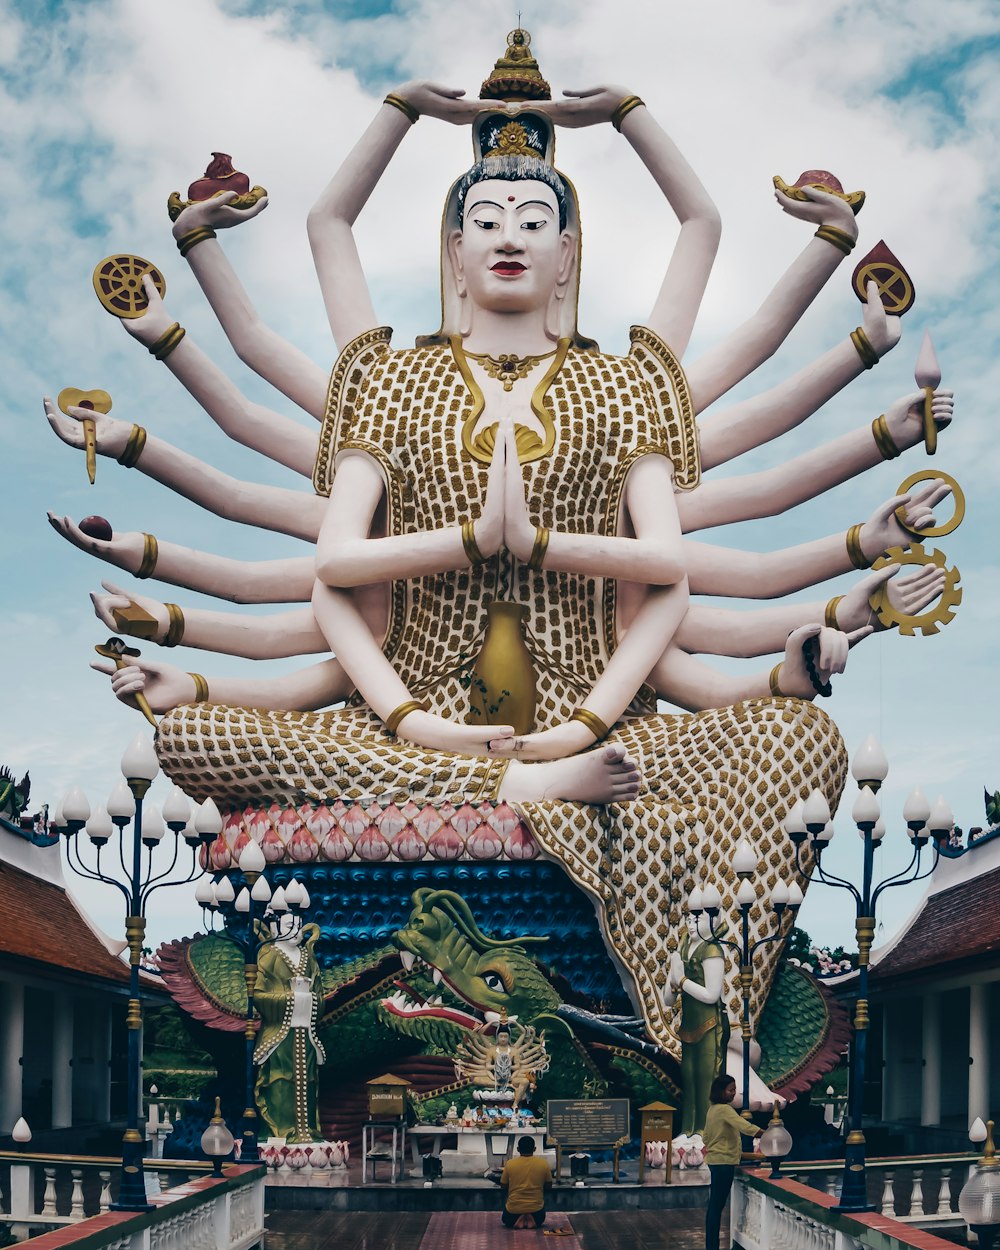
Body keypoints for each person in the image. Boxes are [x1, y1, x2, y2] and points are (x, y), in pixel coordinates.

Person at [703, 1074, 762, 1250]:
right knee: (716, 1207)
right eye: (731, 1090)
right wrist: (766, 1133)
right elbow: (745, 1126)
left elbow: (706, 1137)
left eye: (734, 1090)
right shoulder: (724, 1110)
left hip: (715, 1162)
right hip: (724, 1163)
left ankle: (711, 1246)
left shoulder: (712, 1109)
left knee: (714, 1206)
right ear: (721, 1091)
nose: (733, 1094)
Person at [500, 1134, 552, 1230]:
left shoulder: (510, 1164)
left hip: (512, 1213)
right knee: (539, 1209)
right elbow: (549, 1186)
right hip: (537, 1214)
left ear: (518, 1149)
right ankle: (529, 1217)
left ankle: (521, 1217)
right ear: (534, 1149)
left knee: (505, 1220)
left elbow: (503, 1186)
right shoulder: (543, 1164)